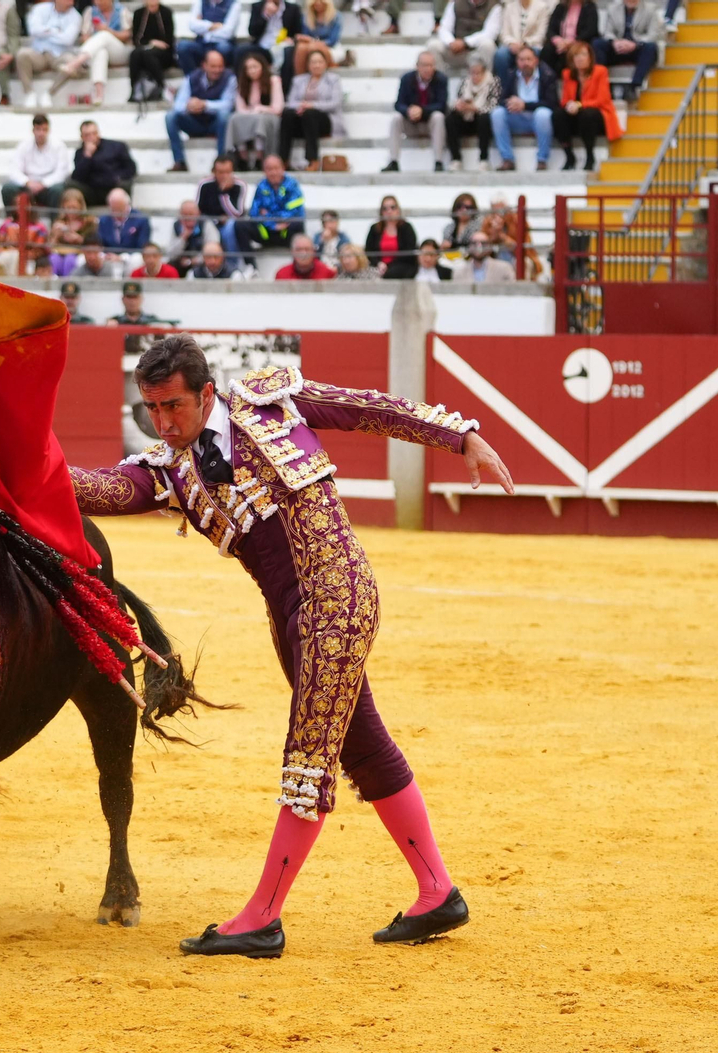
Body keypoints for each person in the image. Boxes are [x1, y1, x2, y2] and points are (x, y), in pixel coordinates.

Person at [68, 337, 513, 956]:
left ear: (205, 393)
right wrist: (13, 471)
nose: (164, 424)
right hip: (290, 620)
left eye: (173, 407)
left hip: (337, 597)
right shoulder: (173, 472)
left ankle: (262, 917)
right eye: (152, 411)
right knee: (362, 743)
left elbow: (365, 408)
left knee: (307, 760)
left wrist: (459, 435)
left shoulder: (268, 403)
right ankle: (438, 892)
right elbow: (97, 490)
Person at [167, 49, 237, 173]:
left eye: (220, 66)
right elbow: (178, 105)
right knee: (170, 117)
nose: (217, 70)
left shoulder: (230, 78)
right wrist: (189, 106)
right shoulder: (192, 78)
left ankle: (221, 160)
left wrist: (205, 104)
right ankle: (179, 161)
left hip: (215, 124)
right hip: (194, 122)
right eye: (213, 66)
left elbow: (228, 104)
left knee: (224, 116)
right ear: (204, 65)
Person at [491, 46, 558, 170]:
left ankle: (542, 160)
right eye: (521, 60)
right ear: (517, 61)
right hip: (517, 117)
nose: (525, 63)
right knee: (497, 113)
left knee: (543, 114)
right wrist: (511, 103)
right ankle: (507, 159)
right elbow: (500, 100)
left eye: (528, 59)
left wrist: (525, 105)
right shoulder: (511, 75)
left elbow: (552, 103)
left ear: (536, 61)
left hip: (537, 118)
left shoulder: (547, 75)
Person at [53, 0, 130, 107]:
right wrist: (96, 41)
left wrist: (108, 30)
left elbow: (127, 35)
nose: (98, 2)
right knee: (100, 51)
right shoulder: (90, 12)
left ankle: (76, 62)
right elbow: (85, 37)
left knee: (104, 35)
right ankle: (99, 93)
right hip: (96, 50)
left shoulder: (122, 10)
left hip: (119, 51)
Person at [556, 40, 618, 170]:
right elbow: (565, 100)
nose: (579, 58)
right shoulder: (567, 74)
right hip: (576, 114)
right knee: (558, 115)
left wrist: (579, 104)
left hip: (597, 114)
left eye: (583, 55)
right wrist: (569, 105)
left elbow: (602, 100)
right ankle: (569, 156)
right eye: (576, 55)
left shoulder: (600, 71)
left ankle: (590, 155)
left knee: (587, 114)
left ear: (590, 57)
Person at [385, 50, 447, 172]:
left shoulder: (441, 79)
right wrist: (409, 111)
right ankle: (393, 161)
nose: (427, 69)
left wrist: (422, 111)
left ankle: (438, 161)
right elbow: (398, 104)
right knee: (396, 118)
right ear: (417, 66)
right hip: (411, 123)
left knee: (438, 117)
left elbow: (442, 105)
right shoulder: (407, 79)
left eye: (430, 65)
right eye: (424, 65)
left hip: (430, 124)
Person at [282, 48, 342, 171]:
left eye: (320, 62)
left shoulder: (333, 80)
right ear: (308, 65)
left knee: (310, 114)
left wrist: (312, 105)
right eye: (313, 62)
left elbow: (335, 103)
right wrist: (301, 107)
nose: (317, 65)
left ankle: (312, 159)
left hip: (324, 120)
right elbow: (290, 102)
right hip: (302, 119)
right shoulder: (298, 80)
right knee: (287, 114)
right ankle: (283, 159)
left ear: (326, 64)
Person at [16, 0, 81, 109]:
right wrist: (56, 31)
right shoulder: (40, 9)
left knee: (74, 63)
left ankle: (49, 93)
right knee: (22, 54)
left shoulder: (76, 16)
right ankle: (29, 93)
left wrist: (45, 32)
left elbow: (68, 40)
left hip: (60, 55)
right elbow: (33, 31)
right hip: (39, 52)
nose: (71, 3)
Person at [234, 153, 304, 255]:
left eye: (276, 168)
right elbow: (254, 213)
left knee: (298, 223)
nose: (273, 172)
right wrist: (273, 225)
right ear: (264, 171)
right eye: (269, 169)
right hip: (266, 232)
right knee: (240, 225)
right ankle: (251, 266)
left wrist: (267, 215)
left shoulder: (293, 185)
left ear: (283, 168)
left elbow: (294, 212)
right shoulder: (261, 185)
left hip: (286, 232)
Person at [227, 51, 285, 170]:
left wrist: (261, 109)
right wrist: (251, 112)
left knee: (259, 120)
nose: (252, 71)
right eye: (248, 68)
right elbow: (240, 108)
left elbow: (278, 107)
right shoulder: (243, 84)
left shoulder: (273, 80)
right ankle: (242, 157)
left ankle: (260, 157)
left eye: (255, 67)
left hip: (269, 116)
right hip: (249, 115)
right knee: (235, 119)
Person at [593, 0, 658, 102]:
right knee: (597, 43)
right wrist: (615, 42)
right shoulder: (613, 8)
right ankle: (603, 85)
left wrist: (635, 44)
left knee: (651, 47)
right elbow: (608, 32)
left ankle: (634, 86)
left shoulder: (650, 9)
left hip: (637, 48)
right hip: (618, 47)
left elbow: (653, 35)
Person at [1, 112, 70, 208]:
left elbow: (62, 172)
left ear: (48, 130)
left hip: (48, 187)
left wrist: (44, 183)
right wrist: (27, 182)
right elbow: (14, 170)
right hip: (28, 186)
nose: (41, 133)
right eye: (38, 129)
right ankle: (11, 221)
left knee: (58, 190)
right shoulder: (23, 146)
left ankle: (55, 221)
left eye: (44, 130)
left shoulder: (59, 146)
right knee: (7, 189)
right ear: (33, 130)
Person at [446, 57, 499, 169]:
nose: (474, 76)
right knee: (450, 118)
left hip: (483, 120)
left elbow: (494, 105)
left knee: (484, 118)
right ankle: (456, 159)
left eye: (478, 73)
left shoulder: (493, 82)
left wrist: (475, 108)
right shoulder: (465, 83)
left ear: (484, 72)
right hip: (466, 118)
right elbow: (459, 99)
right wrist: (460, 106)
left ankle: (483, 159)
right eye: (472, 73)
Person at [70, 120, 137, 207]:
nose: (91, 137)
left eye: (94, 133)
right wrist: (87, 156)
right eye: (87, 135)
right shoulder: (80, 153)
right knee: (70, 186)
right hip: (92, 192)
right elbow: (77, 178)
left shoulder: (116, 147)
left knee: (123, 187)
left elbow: (131, 168)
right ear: (82, 137)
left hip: (113, 187)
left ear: (98, 133)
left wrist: (118, 178)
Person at [428, 0, 500, 79]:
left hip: (475, 51)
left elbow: (490, 33)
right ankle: (439, 83)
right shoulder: (455, 3)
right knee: (433, 45)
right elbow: (444, 28)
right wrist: (451, 42)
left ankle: (486, 86)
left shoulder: (494, 5)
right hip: (455, 50)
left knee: (488, 45)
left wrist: (465, 42)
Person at [247, 0, 303, 94]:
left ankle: (284, 91)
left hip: (283, 44)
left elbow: (298, 32)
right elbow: (252, 32)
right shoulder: (258, 6)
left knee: (288, 52)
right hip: (262, 45)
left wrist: (291, 39)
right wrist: (265, 15)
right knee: (240, 50)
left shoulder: (293, 8)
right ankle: (245, 92)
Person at [196, 153, 248, 252]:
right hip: (209, 222)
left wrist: (224, 194)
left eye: (228, 172)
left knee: (231, 226)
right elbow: (198, 210)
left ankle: (233, 262)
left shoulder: (240, 185)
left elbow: (238, 213)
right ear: (214, 172)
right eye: (220, 172)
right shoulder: (204, 184)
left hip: (228, 225)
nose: (224, 176)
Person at [128, 0, 177, 102]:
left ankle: (162, 86)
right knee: (135, 54)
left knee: (147, 55)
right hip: (144, 49)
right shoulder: (138, 13)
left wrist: (155, 45)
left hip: (164, 53)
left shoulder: (166, 12)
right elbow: (136, 39)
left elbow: (168, 41)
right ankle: (135, 89)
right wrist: (151, 42)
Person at [178, 0, 244, 74]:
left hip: (222, 44)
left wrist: (203, 31)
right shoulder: (200, 2)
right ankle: (192, 79)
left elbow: (228, 32)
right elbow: (192, 25)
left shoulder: (234, 4)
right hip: (202, 44)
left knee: (224, 48)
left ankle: (223, 79)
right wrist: (213, 26)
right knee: (183, 46)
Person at [364, 193, 417, 277]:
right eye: (385, 209)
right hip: (378, 266)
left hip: (401, 266)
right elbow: (369, 251)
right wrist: (379, 263)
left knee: (392, 273)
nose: (389, 211)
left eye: (392, 207)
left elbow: (409, 251)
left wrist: (388, 266)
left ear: (398, 210)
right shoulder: (375, 228)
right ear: (381, 212)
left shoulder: (406, 228)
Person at [494, 0, 550, 80]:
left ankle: (529, 85)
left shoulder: (542, 7)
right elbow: (504, 33)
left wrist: (525, 44)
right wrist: (511, 43)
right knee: (501, 54)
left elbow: (541, 35)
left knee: (533, 54)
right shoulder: (509, 6)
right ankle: (504, 86)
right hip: (512, 45)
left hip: (532, 45)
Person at [539, 0, 597, 75]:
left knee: (575, 52)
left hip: (579, 42)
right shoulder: (560, 7)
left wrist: (571, 42)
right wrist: (558, 41)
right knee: (547, 50)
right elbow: (550, 30)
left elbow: (590, 31)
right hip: (560, 43)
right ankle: (547, 79)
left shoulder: (589, 7)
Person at [293, 0, 340, 91]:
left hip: (330, 47)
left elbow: (332, 41)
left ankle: (309, 83)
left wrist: (313, 41)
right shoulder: (307, 17)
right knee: (301, 47)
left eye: (321, 2)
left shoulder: (336, 16)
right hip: (309, 47)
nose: (318, 4)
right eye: (315, 2)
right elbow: (305, 35)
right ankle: (300, 83)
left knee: (311, 47)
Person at [97, 187, 151, 253]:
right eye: (113, 209)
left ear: (127, 205)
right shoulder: (103, 221)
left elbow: (142, 247)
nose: (116, 213)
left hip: (132, 259)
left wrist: (123, 258)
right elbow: (101, 244)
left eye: (119, 209)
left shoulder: (141, 219)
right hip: (109, 258)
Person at [169, 200, 208, 274]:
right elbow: (171, 254)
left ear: (198, 214)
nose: (188, 218)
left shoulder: (205, 224)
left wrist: (192, 261)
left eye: (191, 214)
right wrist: (183, 238)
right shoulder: (176, 226)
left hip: (201, 265)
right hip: (180, 265)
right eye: (185, 215)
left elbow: (213, 251)